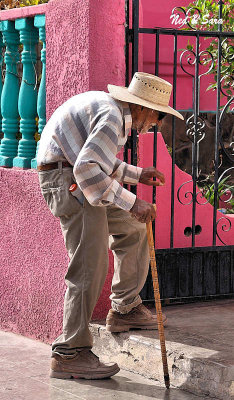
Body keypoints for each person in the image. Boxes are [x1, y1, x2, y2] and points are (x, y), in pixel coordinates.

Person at [37, 72, 184, 380]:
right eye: (157, 116)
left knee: (132, 227)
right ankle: (69, 352)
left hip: (73, 177)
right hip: (68, 182)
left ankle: (125, 308)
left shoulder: (112, 112)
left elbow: (98, 162)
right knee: (89, 264)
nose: (155, 124)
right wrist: (134, 201)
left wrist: (137, 174)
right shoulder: (113, 117)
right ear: (142, 108)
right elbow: (87, 168)